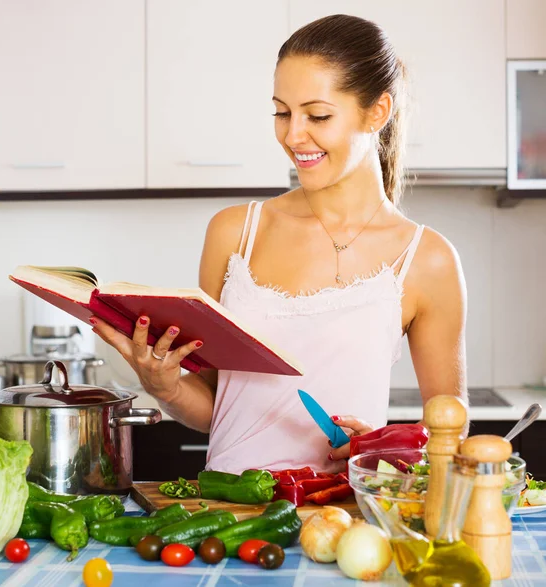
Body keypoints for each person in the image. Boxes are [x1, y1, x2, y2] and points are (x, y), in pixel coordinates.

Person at [91, 14, 467, 474]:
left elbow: (451, 438)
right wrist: (164, 386)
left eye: (318, 115)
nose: (293, 136)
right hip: (227, 520)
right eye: (282, 112)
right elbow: (216, 409)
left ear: (377, 112)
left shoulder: (427, 260)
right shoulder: (235, 233)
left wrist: (388, 447)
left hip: (343, 523)